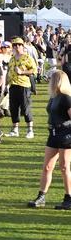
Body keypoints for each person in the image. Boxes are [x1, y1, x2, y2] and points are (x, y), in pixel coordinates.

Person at [27, 70, 71, 210]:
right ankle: (41, 196)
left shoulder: (66, 98)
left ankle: (68, 197)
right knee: (47, 167)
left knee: (64, 167)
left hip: (65, 135)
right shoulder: (54, 97)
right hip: (53, 134)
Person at [6, 37, 37, 138]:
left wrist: (22, 72)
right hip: (13, 85)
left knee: (25, 107)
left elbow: (33, 70)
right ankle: (15, 129)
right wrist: (6, 83)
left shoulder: (27, 58)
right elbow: (9, 71)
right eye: (14, 45)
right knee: (13, 108)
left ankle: (30, 130)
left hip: (23, 85)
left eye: (19, 45)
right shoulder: (12, 58)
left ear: (23, 46)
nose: (16, 47)